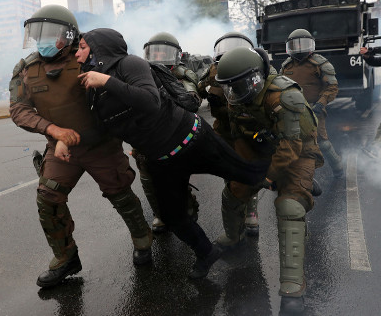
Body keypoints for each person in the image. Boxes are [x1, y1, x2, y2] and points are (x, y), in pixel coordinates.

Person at [74, 28, 267, 279]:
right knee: (172, 216)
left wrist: (107, 81)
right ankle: (206, 253)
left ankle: (288, 181)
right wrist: (66, 140)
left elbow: (149, 101)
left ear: (99, 50)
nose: (77, 54)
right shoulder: (92, 90)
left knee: (246, 174)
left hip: (191, 139)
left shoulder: (130, 64)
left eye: (81, 47)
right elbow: (103, 129)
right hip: (162, 160)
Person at [9, 5, 153, 289]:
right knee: (48, 199)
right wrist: (53, 130)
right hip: (62, 149)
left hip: (101, 143)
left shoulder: (90, 58)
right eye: (36, 34)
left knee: (120, 195)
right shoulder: (25, 69)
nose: (41, 40)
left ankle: (142, 241)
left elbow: (123, 93)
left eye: (48, 34)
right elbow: (18, 110)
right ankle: (65, 258)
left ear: (69, 34)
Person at [214, 46, 323, 308]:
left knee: (290, 206)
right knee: (233, 192)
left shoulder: (284, 96)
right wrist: (240, 170)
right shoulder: (236, 99)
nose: (234, 91)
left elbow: (291, 147)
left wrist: (269, 177)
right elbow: (236, 136)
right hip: (261, 150)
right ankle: (234, 235)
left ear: (256, 76)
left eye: (240, 84)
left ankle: (293, 284)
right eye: (229, 87)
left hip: (298, 152)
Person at [198, 32, 265, 236]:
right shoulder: (213, 70)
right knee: (228, 171)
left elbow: (263, 91)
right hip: (224, 129)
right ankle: (236, 220)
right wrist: (209, 93)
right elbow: (200, 88)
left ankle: (251, 213)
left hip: (246, 128)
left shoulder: (254, 68)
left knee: (248, 169)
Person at [135, 32, 201, 233]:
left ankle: (188, 208)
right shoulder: (138, 73)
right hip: (147, 136)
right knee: (148, 179)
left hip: (176, 134)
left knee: (176, 178)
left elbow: (192, 100)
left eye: (164, 52)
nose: (159, 57)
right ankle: (160, 214)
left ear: (176, 55)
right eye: (154, 53)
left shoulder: (182, 75)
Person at [281, 29, 343, 177]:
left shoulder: (320, 63)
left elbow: (332, 87)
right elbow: (280, 86)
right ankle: (293, 174)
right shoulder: (286, 66)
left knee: (321, 141)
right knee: (289, 141)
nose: (300, 48)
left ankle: (338, 168)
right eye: (296, 45)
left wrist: (320, 104)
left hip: (314, 108)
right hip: (291, 109)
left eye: (303, 44)